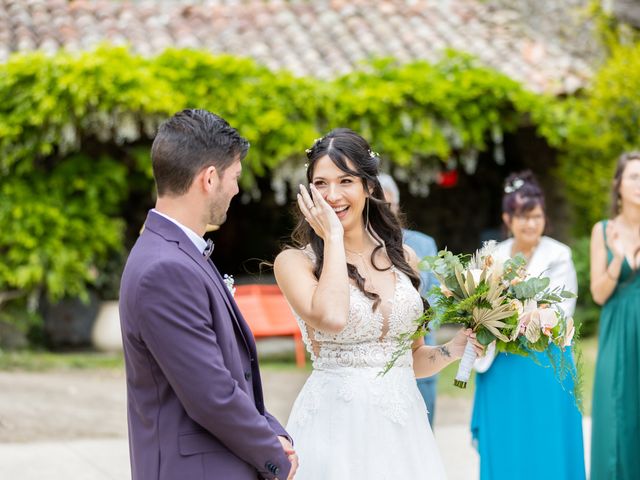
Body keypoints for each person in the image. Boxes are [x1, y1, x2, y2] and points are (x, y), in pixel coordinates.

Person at [274, 128, 482, 479]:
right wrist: (334, 238)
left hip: (403, 432)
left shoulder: (406, 259)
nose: (332, 195)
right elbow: (332, 317)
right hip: (336, 429)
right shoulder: (296, 263)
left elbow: (410, 359)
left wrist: (453, 349)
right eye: (321, 184)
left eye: (345, 181)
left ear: (369, 187)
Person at [119, 109, 296, 480]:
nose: (235, 189)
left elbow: (228, 372)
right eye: (234, 177)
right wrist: (272, 455)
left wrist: (271, 429)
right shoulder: (164, 269)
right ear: (210, 178)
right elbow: (210, 393)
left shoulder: (175, 251)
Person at [470, 170, 585, 480]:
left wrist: (515, 313)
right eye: (522, 216)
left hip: (545, 362)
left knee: (547, 442)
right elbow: (477, 305)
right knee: (509, 442)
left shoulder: (559, 254)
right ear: (508, 218)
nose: (530, 223)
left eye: (536, 216)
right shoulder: (492, 256)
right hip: (501, 364)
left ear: (544, 217)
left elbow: (560, 310)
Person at [590, 152, 640, 480]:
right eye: (634, 177)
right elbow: (598, 293)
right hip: (618, 331)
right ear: (618, 185)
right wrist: (618, 258)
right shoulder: (603, 230)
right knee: (616, 413)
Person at [378, 172, 440, 426]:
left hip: (420, 346)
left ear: (397, 205)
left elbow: (436, 293)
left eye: (387, 205)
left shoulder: (423, 245)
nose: (382, 211)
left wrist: (417, 325)